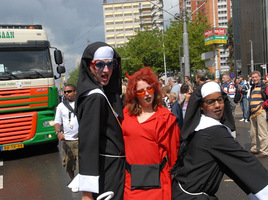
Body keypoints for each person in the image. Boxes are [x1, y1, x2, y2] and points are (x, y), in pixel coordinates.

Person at [171, 81, 268, 200]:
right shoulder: (213, 132)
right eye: (210, 102)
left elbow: (234, 167)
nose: (217, 105)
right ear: (201, 106)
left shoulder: (201, 126)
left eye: (219, 100)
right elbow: (244, 161)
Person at [75, 42, 125, 200]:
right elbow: (88, 145)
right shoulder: (95, 98)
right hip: (107, 173)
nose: (106, 70)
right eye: (99, 65)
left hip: (113, 169)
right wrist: (87, 194)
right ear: (89, 66)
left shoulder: (101, 93)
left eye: (110, 64)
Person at [122, 67, 180, 200]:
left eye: (149, 89)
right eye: (141, 92)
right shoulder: (126, 115)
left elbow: (174, 156)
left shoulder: (166, 118)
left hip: (158, 184)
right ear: (134, 94)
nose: (147, 94)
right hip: (131, 183)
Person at [54, 84, 79, 192]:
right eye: (65, 92)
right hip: (67, 140)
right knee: (69, 164)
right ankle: (73, 181)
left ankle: (82, 182)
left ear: (75, 92)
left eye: (69, 91)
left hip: (81, 140)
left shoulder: (81, 103)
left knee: (83, 164)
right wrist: (58, 132)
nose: (66, 94)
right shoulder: (61, 106)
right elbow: (57, 122)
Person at [249, 71, 268, 158]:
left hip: (260, 112)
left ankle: (264, 151)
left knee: (262, 132)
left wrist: (264, 105)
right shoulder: (253, 87)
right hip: (252, 112)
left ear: (260, 77)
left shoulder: (265, 87)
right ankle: (254, 148)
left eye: (256, 77)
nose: (254, 79)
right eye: (253, 77)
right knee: (253, 133)